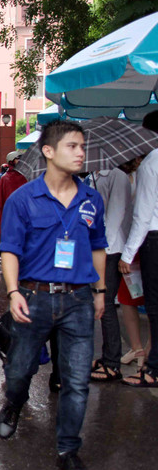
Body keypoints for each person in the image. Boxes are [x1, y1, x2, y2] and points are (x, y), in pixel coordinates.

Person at [0, 120, 107, 470]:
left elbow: (97, 247)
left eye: (82, 146)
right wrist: (13, 293)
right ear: (48, 152)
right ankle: (14, 403)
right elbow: (9, 249)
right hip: (33, 298)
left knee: (76, 382)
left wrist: (101, 292)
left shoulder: (91, 198)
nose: (80, 153)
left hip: (78, 300)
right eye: (72, 146)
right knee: (19, 371)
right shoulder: (23, 199)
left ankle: (68, 451)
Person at [88, 157, 141, 382]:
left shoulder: (117, 176)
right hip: (101, 247)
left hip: (111, 249)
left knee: (106, 303)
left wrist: (102, 250)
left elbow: (116, 215)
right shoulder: (94, 176)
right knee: (102, 304)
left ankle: (112, 363)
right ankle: (108, 356)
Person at [119, 110, 158, 387]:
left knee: (154, 307)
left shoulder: (151, 163)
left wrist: (128, 253)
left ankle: (153, 369)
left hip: (153, 240)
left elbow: (143, 215)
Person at [0, 151, 28, 250]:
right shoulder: (5, 178)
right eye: (18, 159)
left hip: (25, 211)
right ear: (11, 161)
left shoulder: (27, 177)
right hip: (9, 213)